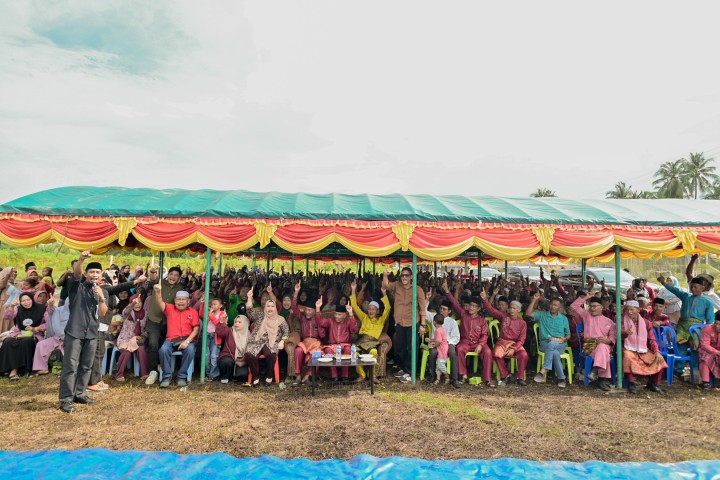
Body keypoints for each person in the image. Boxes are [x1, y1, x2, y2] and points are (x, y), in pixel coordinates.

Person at [58, 251, 109, 413]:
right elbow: (77, 272)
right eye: (92, 272)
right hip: (75, 332)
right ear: (87, 274)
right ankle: (66, 399)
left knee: (87, 366)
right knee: (70, 366)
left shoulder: (102, 291)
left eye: (97, 272)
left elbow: (102, 313)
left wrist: (101, 297)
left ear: (101, 275)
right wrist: (81, 259)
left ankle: (80, 393)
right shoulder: (76, 285)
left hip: (92, 333)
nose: (94, 274)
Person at [442, 279, 493, 387]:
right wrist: (447, 290)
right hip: (465, 342)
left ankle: (487, 378)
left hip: (478, 342)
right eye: (470, 305)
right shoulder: (463, 314)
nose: (471, 308)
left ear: (478, 309)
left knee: (488, 352)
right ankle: (463, 375)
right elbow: (454, 303)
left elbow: (485, 335)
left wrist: (480, 344)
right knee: (460, 349)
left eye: (474, 306)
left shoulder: (482, 320)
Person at [383, 267, 427, 383]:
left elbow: (422, 309)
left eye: (407, 275)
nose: (404, 277)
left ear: (411, 277)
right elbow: (386, 286)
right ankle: (404, 368)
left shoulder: (417, 290)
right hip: (400, 322)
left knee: (412, 348)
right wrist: (385, 275)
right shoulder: (397, 285)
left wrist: (423, 325)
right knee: (401, 348)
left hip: (413, 322)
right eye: (402, 275)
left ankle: (410, 371)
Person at [145, 264, 186, 385]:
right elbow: (152, 278)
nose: (173, 277)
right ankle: (153, 371)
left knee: (164, 346)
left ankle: (162, 367)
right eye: (171, 274)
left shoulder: (180, 288)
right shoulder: (159, 283)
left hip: (170, 322)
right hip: (154, 319)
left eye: (176, 275)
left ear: (179, 278)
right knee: (153, 343)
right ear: (168, 275)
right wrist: (152, 271)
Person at [154, 285, 200, 388]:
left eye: (183, 299)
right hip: (171, 340)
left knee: (190, 350)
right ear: (175, 301)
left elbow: (196, 329)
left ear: (188, 301)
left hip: (187, 339)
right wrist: (158, 292)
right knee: (163, 350)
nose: (181, 301)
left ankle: (182, 376)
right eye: (178, 299)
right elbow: (160, 302)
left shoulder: (193, 311)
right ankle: (166, 376)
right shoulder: (170, 308)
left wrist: (187, 342)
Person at [244, 287, 289, 386]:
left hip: (271, 342)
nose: (270, 308)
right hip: (256, 341)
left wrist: (282, 341)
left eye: (272, 306)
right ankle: (256, 377)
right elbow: (250, 312)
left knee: (271, 354)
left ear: (275, 308)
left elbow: (286, 332)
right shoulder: (260, 315)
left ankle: (269, 376)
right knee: (249, 354)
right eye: (268, 306)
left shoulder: (280, 319)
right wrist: (249, 298)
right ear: (265, 307)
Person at [571, 293, 616, 391]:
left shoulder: (609, 321)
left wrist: (608, 340)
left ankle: (595, 371)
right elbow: (574, 306)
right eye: (591, 306)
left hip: (603, 347)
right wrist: (586, 297)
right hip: (589, 346)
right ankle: (602, 379)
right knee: (604, 350)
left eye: (595, 306)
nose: (592, 309)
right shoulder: (587, 316)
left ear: (601, 307)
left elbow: (613, 336)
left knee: (603, 347)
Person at [349, 279, 391, 384]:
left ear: (377, 311)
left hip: (372, 343)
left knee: (374, 352)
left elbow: (388, 308)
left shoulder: (381, 320)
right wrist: (353, 290)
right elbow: (354, 306)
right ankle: (362, 376)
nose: (371, 311)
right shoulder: (364, 317)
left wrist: (384, 293)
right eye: (369, 309)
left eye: (373, 309)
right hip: (362, 341)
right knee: (355, 354)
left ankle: (372, 376)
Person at [483, 293, 528, 386]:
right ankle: (505, 375)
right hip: (502, 342)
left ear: (519, 310)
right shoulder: (503, 316)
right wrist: (485, 299)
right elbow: (491, 310)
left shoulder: (522, 323)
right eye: (511, 308)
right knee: (496, 354)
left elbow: (522, 339)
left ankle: (520, 378)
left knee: (524, 355)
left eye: (514, 308)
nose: (511, 310)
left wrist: (514, 348)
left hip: (515, 344)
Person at [621, 300, 666, 394]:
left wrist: (657, 351)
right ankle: (631, 383)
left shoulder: (646, 323)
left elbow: (651, 339)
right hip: (626, 348)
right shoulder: (621, 321)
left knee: (659, 359)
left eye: (632, 309)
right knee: (628, 356)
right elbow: (618, 336)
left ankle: (652, 383)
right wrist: (625, 334)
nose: (629, 312)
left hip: (643, 349)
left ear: (637, 310)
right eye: (627, 310)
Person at [527, 293, 570, 388]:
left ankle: (544, 371)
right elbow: (528, 313)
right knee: (552, 348)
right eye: (552, 304)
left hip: (560, 344)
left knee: (553, 348)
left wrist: (565, 338)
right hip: (545, 344)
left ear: (559, 308)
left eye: (555, 305)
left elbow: (568, 334)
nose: (553, 306)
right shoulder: (542, 315)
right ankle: (561, 378)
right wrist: (534, 300)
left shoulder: (563, 318)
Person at [0, 292, 47, 379]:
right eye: (23, 301)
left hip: (34, 335)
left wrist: (35, 328)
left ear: (32, 299)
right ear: (20, 302)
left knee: (26, 342)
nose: (26, 302)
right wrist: (11, 307)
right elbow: (7, 317)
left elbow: (49, 324)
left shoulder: (42, 309)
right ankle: (8, 369)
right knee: (7, 342)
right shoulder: (17, 309)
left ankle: (15, 370)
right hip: (18, 334)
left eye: (28, 300)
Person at [315, 298, 358, 384]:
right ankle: (334, 377)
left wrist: (351, 313)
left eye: (339, 315)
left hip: (345, 345)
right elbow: (320, 322)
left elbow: (354, 329)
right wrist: (317, 308)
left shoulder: (348, 321)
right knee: (327, 350)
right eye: (336, 314)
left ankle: (344, 377)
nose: (337, 316)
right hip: (332, 345)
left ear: (344, 315)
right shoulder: (330, 321)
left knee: (348, 350)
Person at [289, 282, 324, 387]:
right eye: (306, 310)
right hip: (305, 342)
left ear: (314, 311)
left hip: (316, 343)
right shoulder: (303, 317)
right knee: (298, 350)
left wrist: (319, 326)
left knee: (318, 354)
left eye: (310, 310)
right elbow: (294, 307)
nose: (307, 312)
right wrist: (296, 292)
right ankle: (298, 377)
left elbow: (322, 335)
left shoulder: (318, 319)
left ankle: (307, 377)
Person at [425, 300, 461, 388]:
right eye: (441, 308)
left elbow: (456, 337)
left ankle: (454, 379)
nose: (441, 310)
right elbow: (424, 313)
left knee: (452, 354)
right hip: (436, 342)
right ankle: (433, 376)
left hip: (448, 343)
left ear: (449, 311)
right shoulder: (434, 317)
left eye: (444, 309)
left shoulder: (453, 322)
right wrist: (427, 300)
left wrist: (447, 342)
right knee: (433, 353)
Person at [114, 295, 149, 382]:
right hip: (125, 338)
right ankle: (119, 374)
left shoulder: (146, 313)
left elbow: (146, 329)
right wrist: (133, 303)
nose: (137, 304)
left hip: (138, 339)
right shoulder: (127, 313)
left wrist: (141, 336)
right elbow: (126, 311)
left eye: (139, 302)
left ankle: (145, 373)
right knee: (127, 352)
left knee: (141, 349)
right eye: (135, 302)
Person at [215, 313, 250, 384]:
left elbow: (250, 350)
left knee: (243, 375)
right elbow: (220, 332)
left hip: (242, 360)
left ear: (245, 323)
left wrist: (244, 360)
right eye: (236, 322)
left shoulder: (249, 334)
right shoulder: (230, 330)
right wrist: (221, 322)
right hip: (229, 356)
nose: (237, 324)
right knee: (226, 362)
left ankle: (234, 374)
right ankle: (226, 376)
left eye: (240, 322)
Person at [199, 297, 226, 380]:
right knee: (206, 355)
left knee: (214, 356)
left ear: (220, 306)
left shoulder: (222, 314)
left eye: (215, 304)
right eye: (212, 304)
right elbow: (201, 315)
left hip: (215, 336)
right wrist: (202, 305)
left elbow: (218, 324)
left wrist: (211, 317)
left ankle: (214, 374)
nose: (213, 306)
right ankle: (208, 373)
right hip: (207, 335)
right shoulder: (210, 312)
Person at [698, 314, 720, 390]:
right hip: (707, 350)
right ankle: (705, 382)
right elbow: (704, 345)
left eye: (719, 324)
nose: (717, 326)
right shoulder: (708, 329)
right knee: (706, 357)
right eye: (716, 323)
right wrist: (716, 352)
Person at [426, 313, 449, 385]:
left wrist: (432, 346)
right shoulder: (441, 329)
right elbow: (437, 339)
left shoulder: (438, 331)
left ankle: (447, 376)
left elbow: (438, 342)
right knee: (438, 364)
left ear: (434, 322)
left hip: (442, 351)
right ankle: (438, 378)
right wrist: (431, 340)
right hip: (442, 349)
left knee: (440, 364)